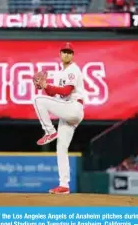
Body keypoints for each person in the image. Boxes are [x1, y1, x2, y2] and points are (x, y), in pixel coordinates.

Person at [32, 42, 85, 194]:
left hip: (74, 107)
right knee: (61, 148)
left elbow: (67, 90)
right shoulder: (60, 72)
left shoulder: (73, 70)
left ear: (73, 55)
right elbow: (54, 94)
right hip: (67, 111)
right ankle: (64, 185)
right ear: (60, 54)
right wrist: (44, 86)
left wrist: (46, 86)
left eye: (69, 52)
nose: (67, 54)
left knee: (37, 100)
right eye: (64, 52)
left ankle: (49, 131)